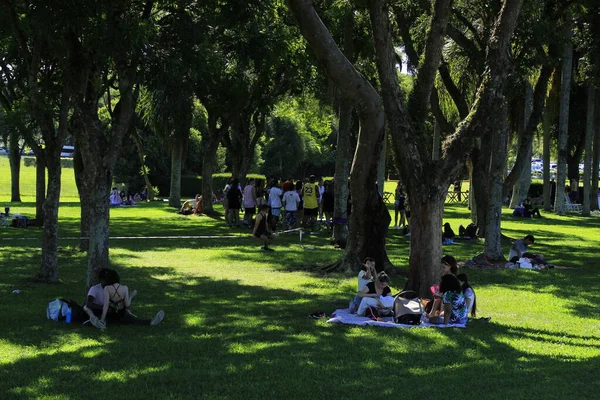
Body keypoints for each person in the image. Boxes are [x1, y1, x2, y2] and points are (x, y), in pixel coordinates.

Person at [84, 269, 164, 329]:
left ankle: (150, 322)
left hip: (111, 311)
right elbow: (89, 304)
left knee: (128, 317)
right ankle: (95, 322)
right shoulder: (94, 289)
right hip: (98, 310)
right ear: (101, 280)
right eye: (106, 281)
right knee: (87, 308)